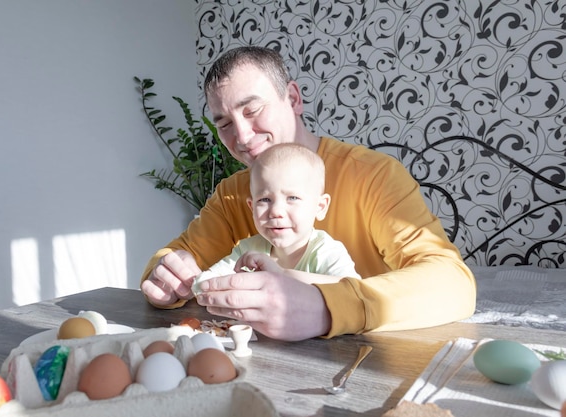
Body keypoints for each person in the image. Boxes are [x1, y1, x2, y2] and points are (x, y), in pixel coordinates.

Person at [140, 46, 476, 341]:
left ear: (294, 99)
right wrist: (167, 274)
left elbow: (454, 285)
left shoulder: (373, 175)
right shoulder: (231, 195)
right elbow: (173, 259)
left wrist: (326, 308)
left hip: (371, 363)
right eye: (224, 123)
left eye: (253, 110)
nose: (241, 136)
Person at [191, 143, 360, 295]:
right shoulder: (248, 249)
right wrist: (199, 283)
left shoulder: (325, 251)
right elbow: (212, 279)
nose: (276, 211)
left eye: (292, 198)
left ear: (320, 207)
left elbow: (353, 290)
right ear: (251, 207)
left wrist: (282, 276)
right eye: (264, 200)